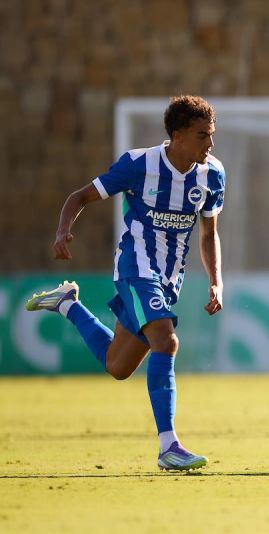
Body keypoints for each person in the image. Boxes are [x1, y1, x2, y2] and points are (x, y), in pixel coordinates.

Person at [25, 95, 225, 470]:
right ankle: (169, 446)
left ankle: (68, 303)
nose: (210, 144)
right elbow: (80, 196)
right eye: (203, 136)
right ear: (178, 135)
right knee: (166, 340)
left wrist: (216, 280)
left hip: (169, 278)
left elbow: (208, 232)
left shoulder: (212, 174)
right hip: (136, 266)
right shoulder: (139, 164)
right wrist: (62, 231)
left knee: (118, 366)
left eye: (212, 135)